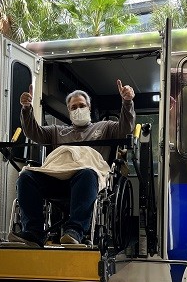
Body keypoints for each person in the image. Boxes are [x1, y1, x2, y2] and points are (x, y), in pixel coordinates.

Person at [9, 79, 135, 247]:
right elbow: (34, 133)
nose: (78, 109)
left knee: (87, 173)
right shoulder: (57, 131)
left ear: (89, 108)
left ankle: (74, 232)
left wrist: (127, 103)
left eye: (82, 106)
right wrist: (26, 109)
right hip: (56, 178)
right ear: (68, 111)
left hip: (85, 181)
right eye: (73, 107)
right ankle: (33, 232)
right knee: (26, 177)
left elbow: (126, 128)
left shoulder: (104, 127)